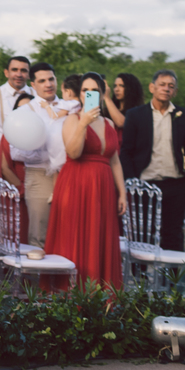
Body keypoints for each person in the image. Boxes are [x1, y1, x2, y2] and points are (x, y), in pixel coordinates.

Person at [45, 72, 126, 290]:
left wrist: (123, 193)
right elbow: (73, 152)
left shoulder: (108, 123)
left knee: (99, 239)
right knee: (75, 238)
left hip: (103, 188)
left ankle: (100, 297)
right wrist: (83, 124)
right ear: (79, 94)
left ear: (102, 94)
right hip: (77, 184)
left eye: (95, 91)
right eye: (85, 91)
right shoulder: (72, 119)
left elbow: (115, 160)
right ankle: (71, 296)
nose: (89, 94)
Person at [119, 69, 185, 251]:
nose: (166, 89)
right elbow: (126, 151)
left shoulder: (184, 115)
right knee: (143, 233)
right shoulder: (136, 115)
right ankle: (141, 278)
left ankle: (172, 279)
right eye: (162, 85)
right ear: (152, 87)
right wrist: (132, 180)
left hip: (176, 184)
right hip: (145, 184)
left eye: (171, 86)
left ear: (175, 92)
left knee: (174, 233)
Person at [9, 63, 73, 247]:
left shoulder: (69, 107)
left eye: (51, 79)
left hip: (69, 175)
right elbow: (16, 152)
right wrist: (47, 150)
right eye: (42, 81)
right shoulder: (24, 112)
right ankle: (37, 275)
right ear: (33, 85)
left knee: (67, 230)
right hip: (40, 175)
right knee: (39, 232)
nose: (48, 84)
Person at [0, 92, 35, 244]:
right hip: (16, 190)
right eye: (20, 109)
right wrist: (22, 190)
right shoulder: (9, 134)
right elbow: (4, 168)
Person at [104, 72, 143, 146]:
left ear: (131, 88)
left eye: (121, 86)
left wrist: (107, 98)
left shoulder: (138, 111)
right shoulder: (108, 110)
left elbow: (121, 123)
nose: (116, 89)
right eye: (115, 86)